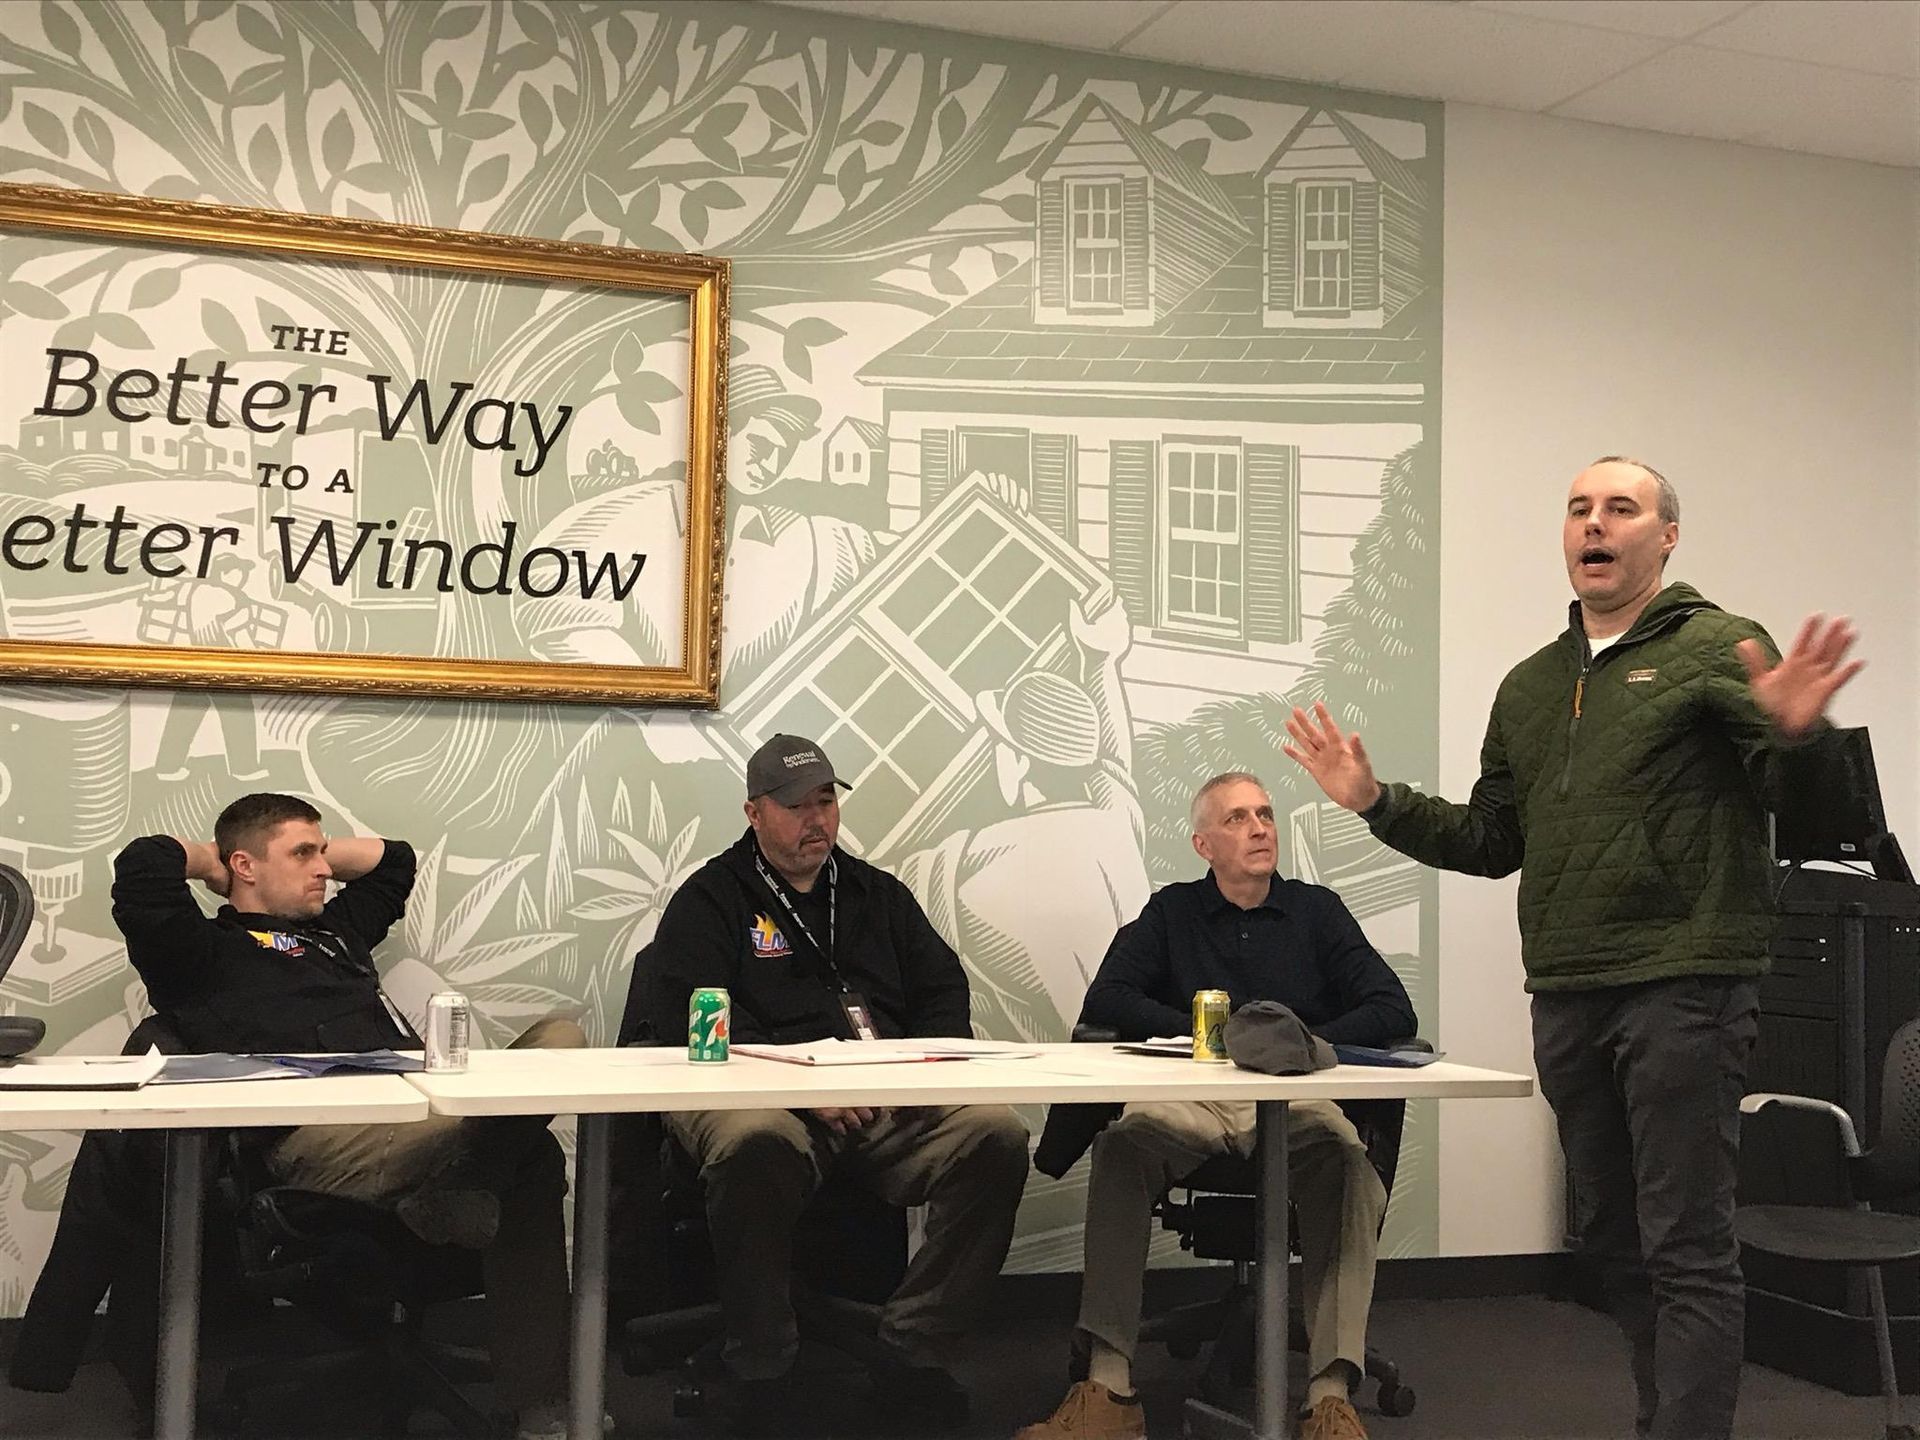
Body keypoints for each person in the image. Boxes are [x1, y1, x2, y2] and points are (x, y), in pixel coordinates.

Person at [1282, 456, 1862, 1440]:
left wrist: (1804, 737)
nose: (1595, 523)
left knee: (1685, 1246)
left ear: (1666, 535)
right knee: (1614, 1245)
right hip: (1567, 986)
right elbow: (1491, 839)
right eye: (1579, 507)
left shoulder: (1719, 645)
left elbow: (1814, 820)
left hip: (1686, 979)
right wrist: (1376, 804)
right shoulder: (1532, 688)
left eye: (1622, 507)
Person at [106, 793, 586, 1440]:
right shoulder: (197, 955)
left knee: (559, 1039)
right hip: (315, 1143)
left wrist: (308, 851)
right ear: (245, 866)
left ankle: (458, 1190)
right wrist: (210, 861)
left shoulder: (336, 933)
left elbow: (396, 862)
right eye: (303, 853)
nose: (324, 868)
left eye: (323, 851)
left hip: (421, 1111)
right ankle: (541, 1403)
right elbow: (141, 871)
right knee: (532, 1157)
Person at [635, 734, 1030, 1431]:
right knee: (755, 1143)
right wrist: (798, 1087)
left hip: (882, 1100)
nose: (816, 819)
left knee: (995, 1134)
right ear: (754, 812)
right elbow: (690, 1019)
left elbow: (944, 996)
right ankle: (762, 1360)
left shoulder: (878, 896)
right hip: (758, 1096)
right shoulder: (711, 899)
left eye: (826, 801)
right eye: (795, 806)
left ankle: (915, 1349)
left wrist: (909, 1079)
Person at [1018, 771, 1416, 1440]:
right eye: (1237, 819)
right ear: (1204, 843)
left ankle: (1329, 1398)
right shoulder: (1172, 912)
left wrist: (1303, 1045)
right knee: (1121, 1148)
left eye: (1264, 814)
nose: (1259, 827)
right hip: (1195, 1099)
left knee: (1349, 1162)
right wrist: (1203, 1036)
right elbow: (1109, 1000)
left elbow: (1391, 1008)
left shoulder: (1317, 911)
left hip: (1294, 1101)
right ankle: (1108, 1391)